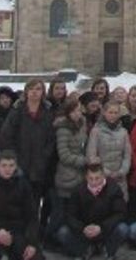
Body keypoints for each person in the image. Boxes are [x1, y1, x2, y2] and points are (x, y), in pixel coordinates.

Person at [0, 79, 55, 227]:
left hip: (39, 166)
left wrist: (44, 156)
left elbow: (51, 139)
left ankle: (32, 238)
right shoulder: (18, 111)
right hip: (20, 165)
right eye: (32, 89)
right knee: (17, 204)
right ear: (26, 91)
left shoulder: (47, 112)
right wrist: (15, 160)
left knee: (34, 204)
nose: (35, 92)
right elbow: (6, 136)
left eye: (38, 89)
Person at [55, 163, 129, 260]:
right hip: (85, 231)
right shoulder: (78, 190)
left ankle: (109, 253)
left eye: (97, 178)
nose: (94, 182)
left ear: (103, 176)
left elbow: (120, 213)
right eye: (91, 178)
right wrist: (82, 228)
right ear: (86, 177)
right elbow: (70, 215)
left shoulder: (114, 188)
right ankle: (83, 251)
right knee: (63, 232)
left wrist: (101, 227)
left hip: (105, 230)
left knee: (122, 228)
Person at [51, 96, 89, 243]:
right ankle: (51, 239)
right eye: (73, 111)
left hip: (81, 175)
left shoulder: (82, 124)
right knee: (60, 214)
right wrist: (84, 161)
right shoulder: (63, 129)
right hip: (67, 175)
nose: (77, 114)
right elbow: (64, 155)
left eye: (79, 110)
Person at [86, 100, 133, 199]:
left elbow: (127, 155)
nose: (113, 115)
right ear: (104, 113)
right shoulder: (96, 131)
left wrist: (122, 171)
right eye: (110, 112)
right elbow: (92, 155)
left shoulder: (124, 132)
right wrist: (106, 172)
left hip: (120, 178)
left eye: (116, 113)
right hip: (101, 178)